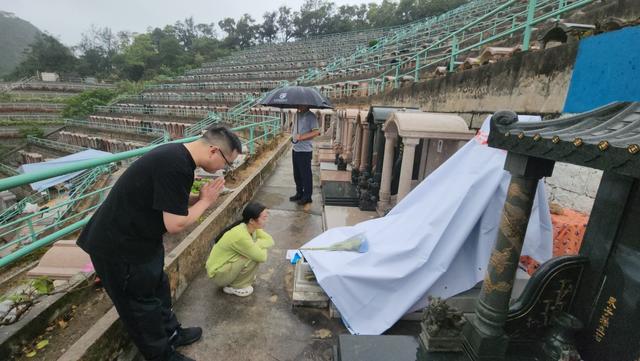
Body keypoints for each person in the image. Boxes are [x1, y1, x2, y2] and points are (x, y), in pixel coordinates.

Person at [77, 126, 243, 361]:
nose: (224, 169)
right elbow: (174, 224)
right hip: (119, 248)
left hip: (141, 241)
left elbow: (167, 198)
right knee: (139, 308)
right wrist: (206, 202)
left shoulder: (178, 157)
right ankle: (161, 355)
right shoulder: (175, 165)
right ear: (214, 150)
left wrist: (196, 199)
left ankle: (172, 333)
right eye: (227, 163)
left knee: (158, 288)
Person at [205, 202, 273, 297]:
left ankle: (238, 280)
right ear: (252, 220)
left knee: (252, 252)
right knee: (253, 257)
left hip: (225, 266)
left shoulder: (250, 227)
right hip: (217, 274)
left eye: (267, 217)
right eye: (264, 218)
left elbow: (270, 240)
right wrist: (258, 245)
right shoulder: (241, 235)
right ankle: (236, 286)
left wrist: (256, 245)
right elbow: (262, 257)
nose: (267, 220)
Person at [290, 105, 320, 205]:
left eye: (301, 103)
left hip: (305, 151)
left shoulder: (311, 116)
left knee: (305, 175)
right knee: (297, 174)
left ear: (306, 104)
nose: (299, 105)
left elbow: (316, 132)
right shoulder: (297, 114)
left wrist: (302, 137)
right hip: (296, 149)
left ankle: (307, 196)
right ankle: (299, 193)